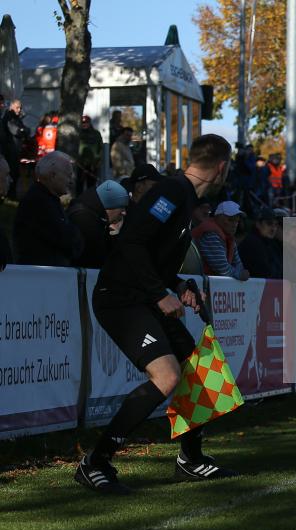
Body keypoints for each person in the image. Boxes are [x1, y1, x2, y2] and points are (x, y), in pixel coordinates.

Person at [76, 134, 238, 494]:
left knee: (197, 372)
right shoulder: (171, 193)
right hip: (121, 299)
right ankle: (95, 462)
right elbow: (132, 243)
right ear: (221, 168)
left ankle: (191, 460)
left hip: (144, 296)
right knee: (166, 378)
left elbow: (149, 254)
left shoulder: (182, 198)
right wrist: (158, 293)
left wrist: (178, 285)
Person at [13, 152, 84, 266]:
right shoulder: (38, 202)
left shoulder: (47, 199)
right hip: (40, 275)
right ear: (52, 175)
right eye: (68, 175)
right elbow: (66, 240)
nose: (71, 181)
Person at [67, 180, 129, 269]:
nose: (124, 213)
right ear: (110, 206)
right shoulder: (85, 220)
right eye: (122, 207)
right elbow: (98, 261)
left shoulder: (96, 217)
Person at [193, 200, 250, 281]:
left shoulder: (229, 237)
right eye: (230, 220)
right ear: (218, 217)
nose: (234, 224)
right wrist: (240, 274)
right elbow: (222, 269)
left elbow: (238, 264)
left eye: (237, 220)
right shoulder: (211, 234)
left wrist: (241, 272)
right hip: (198, 285)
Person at [238, 207, 282, 279]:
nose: (273, 228)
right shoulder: (252, 242)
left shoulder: (270, 243)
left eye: (276, 224)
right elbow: (265, 272)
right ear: (258, 224)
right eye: (269, 223)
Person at [77, 115, 103, 193]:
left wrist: (98, 161)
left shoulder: (96, 134)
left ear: (89, 123)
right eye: (82, 123)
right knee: (79, 185)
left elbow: (100, 148)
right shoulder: (78, 133)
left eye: (86, 122)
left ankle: (90, 203)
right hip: (80, 165)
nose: (84, 124)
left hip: (92, 165)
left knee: (91, 186)